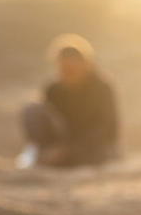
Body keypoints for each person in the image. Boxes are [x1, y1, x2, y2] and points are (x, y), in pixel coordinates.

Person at [17, 34, 119, 168]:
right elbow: (46, 123)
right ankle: (40, 155)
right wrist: (55, 146)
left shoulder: (102, 88)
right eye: (62, 69)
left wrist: (70, 150)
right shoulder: (53, 89)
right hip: (62, 143)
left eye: (71, 69)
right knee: (31, 109)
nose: (66, 74)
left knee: (99, 153)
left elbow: (107, 129)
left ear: (86, 64)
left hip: (93, 145)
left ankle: (61, 159)